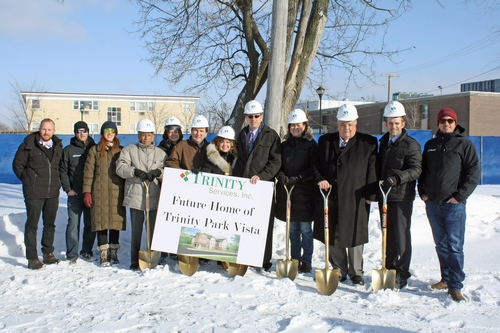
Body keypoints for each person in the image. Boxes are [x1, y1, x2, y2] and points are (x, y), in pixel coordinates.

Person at [312, 104, 378, 285]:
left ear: (356, 124)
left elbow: (372, 169)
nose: (346, 128)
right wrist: (320, 179)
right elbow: (315, 164)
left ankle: (356, 271)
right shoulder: (325, 141)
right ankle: (339, 269)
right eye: (342, 124)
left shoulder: (368, 143)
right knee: (332, 232)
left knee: (355, 232)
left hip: (356, 196)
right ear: (337, 124)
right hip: (331, 195)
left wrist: (371, 194)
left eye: (349, 124)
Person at [418, 108, 480, 302]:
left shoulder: (464, 145)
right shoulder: (430, 145)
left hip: (453, 205)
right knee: (441, 244)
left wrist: (459, 197)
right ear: (438, 123)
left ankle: (455, 285)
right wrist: (423, 194)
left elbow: (473, 174)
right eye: (443, 120)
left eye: (450, 121)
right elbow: (422, 171)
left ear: (455, 123)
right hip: (433, 204)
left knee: (454, 245)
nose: (446, 123)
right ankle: (445, 278)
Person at [233, 100, 282, 272]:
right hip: (245, 186)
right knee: (245, 222)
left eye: (257, 116)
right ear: (246, 117)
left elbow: (276, 161)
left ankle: (263, 259)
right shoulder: (242, 134)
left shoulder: (271, 135)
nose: (253, 119)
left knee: (263, 224)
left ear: (262, 116)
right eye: (250, 116)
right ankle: (245, 255)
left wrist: (262, 176)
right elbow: (237, 159)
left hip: (262, 187)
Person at [378, 101, 422, 289]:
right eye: (390, 122)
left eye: (397, 123)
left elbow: (417, 169)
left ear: (403, 124)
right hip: (385, 196)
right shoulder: (383, 143)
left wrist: (397, 178)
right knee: (387, 235)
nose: (393, 126)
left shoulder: (411, 145)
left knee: (401, 236)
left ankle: (402, 272)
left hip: (402, 196)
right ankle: (389, 268)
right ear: (386, 124)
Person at [12, 118, 63, 270]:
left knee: (50, 224)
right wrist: (29, 181)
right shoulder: (28, 145)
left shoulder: (58, 146)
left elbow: (61, 167)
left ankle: (48, 253)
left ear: (54, 131)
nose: (46, 132)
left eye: (49, 129)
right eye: (44, 129)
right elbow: (17, 166)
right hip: (33, 193)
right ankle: (32, 257)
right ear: (39, 129)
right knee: (32, 225)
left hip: (52, 192)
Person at [116, 118, 166, 270]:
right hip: (136, 196)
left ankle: (152, 256)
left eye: (149, 135)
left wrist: (158, 173)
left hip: (154, 196)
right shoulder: (129, 150)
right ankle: (134, 260)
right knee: (136, 231)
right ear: (138, 135)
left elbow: (168, 172)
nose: (146, 138)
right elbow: (120, 168)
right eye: (143, 135)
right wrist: (134, 171)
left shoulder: (161, 153)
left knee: (153, 230)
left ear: (153, 136)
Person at [275, 109, 317, 273]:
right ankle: (294, 258)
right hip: (288, 192)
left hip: (305, 192)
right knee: (292, 229)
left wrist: (299, 177)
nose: (295, 128)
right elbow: (277, 164)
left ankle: (306, 260)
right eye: (292, 125)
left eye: (298, 125)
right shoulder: (284, 145)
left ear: (305, 126)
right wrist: (282, 175)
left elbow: (314, 167)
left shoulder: (311, 145)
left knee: (306, 229)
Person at [82, 121, 126, 267]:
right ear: (102, 132)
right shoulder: (94, 150)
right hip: (99, 191)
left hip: (116, 191)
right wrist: (87, 191)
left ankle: (113, 252)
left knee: (115, 222)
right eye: (107, 130)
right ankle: (103, 254)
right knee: (101, 223)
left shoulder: (121, 150)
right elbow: (88, 172)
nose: (109, 133)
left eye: (112, 131)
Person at [59, 121, 97, 263]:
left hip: (91, 194)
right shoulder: (68, 150)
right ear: (75, 133)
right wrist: (68, 189)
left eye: (84, 130)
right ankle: (72, 254)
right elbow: (62, 170)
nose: (82, 133)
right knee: (73, 225)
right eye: (79, 131)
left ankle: (86, 250)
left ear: (88, 131)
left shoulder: (95, 148)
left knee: (90, 224)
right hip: (75, 195)